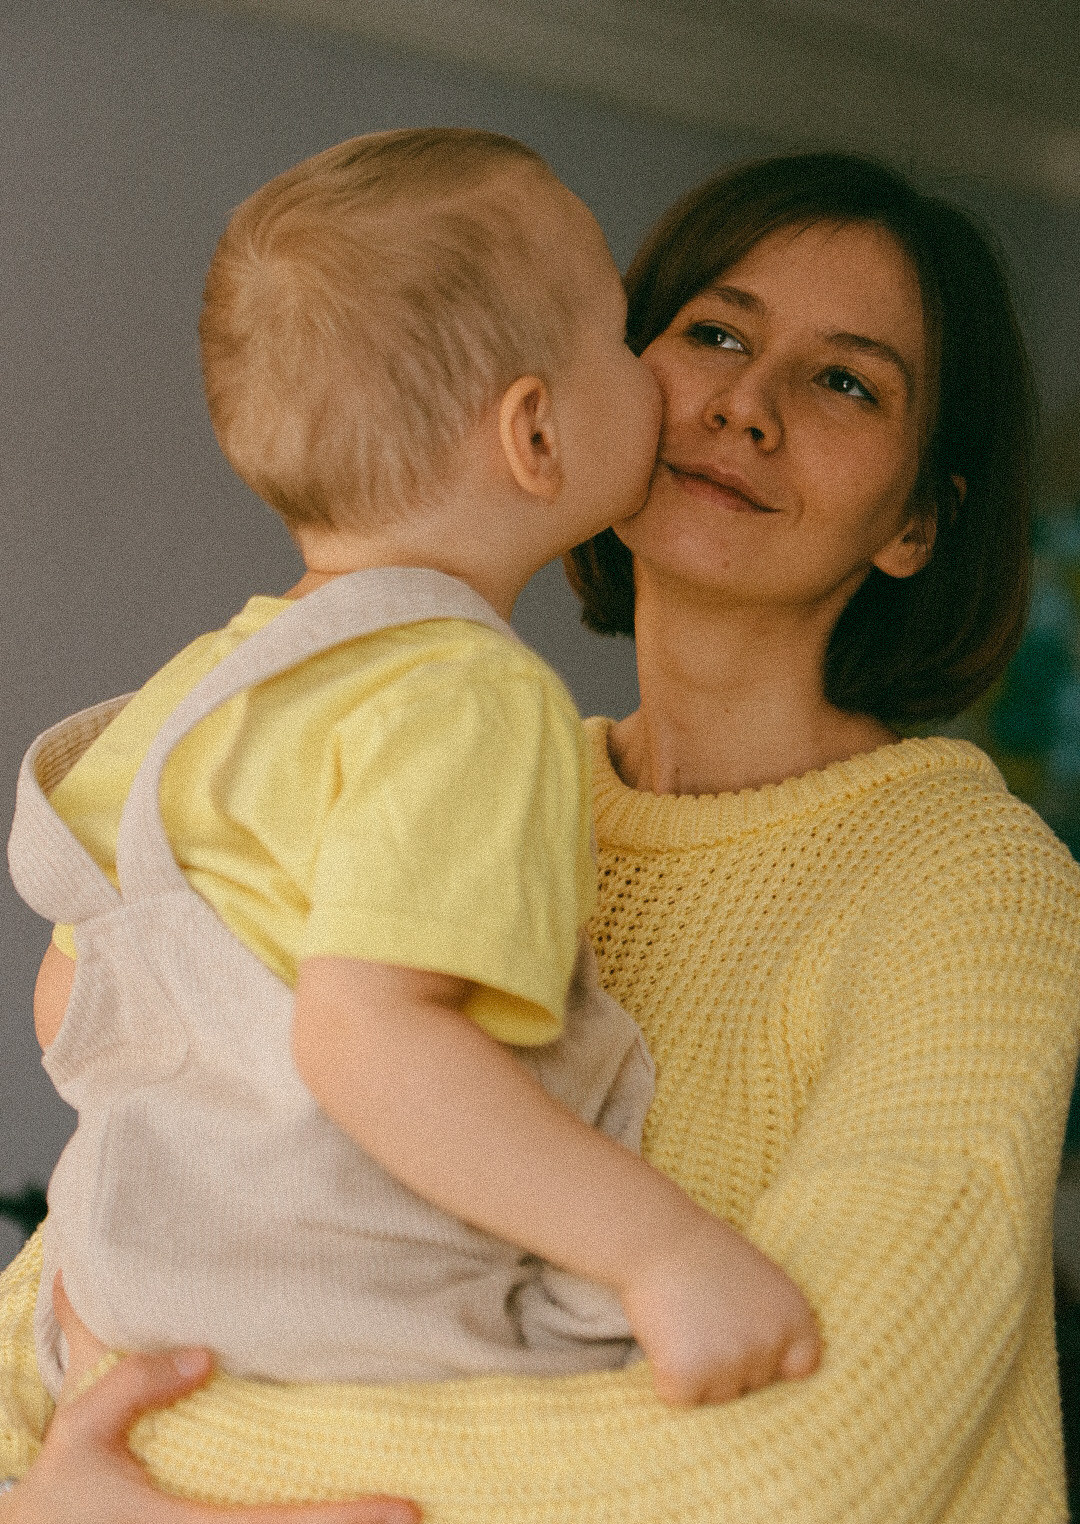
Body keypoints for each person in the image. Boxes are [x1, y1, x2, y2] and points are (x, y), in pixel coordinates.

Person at [1, 148, 1078, 1524]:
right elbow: (111, 1255)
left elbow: (786, 1518)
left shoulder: (971, 887)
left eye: (848, 384)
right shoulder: (424, 760)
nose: (745, 403)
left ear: (916, 523)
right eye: (712, 331)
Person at [8, 126, 820, 1414]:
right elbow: (365, 1041)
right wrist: (666, 1252)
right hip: (348, 1304)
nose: (660, 383)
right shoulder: (472, 699)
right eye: (624, 337)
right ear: (536, 433)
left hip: (128, 1282)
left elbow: (74, 987)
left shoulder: (213, 683)